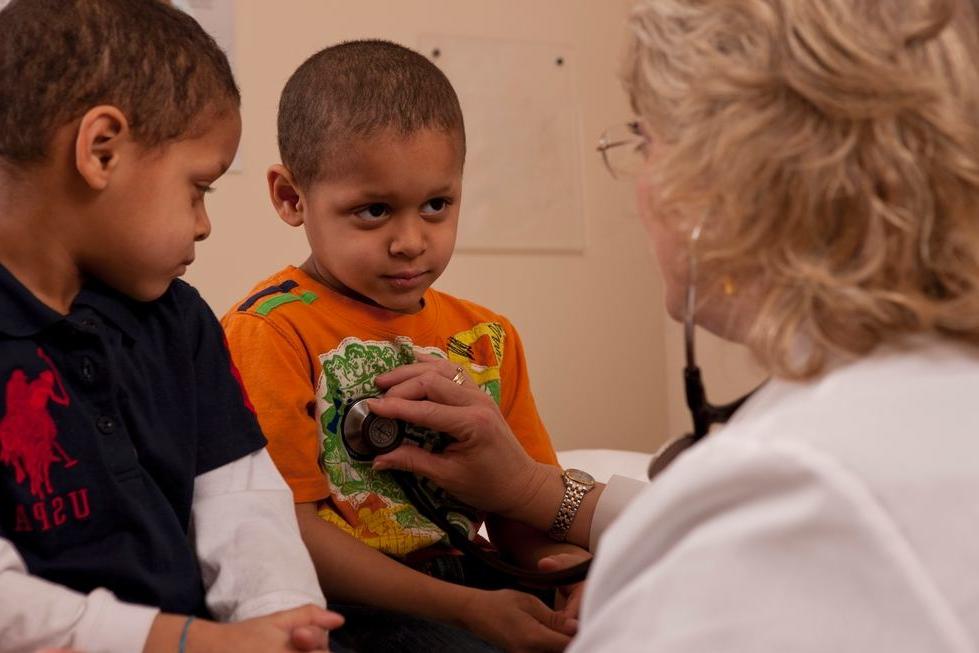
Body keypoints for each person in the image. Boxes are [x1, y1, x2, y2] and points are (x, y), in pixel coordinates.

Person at [366, 0, 979, 650]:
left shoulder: (792, 491)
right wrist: (531, 489)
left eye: (645, 141)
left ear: (722, 180)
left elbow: (745, 530)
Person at [0, 1, 342, 651]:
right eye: (198, 188)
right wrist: (185, 640)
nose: (204, 224)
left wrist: (284, 617)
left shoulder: (177, 319)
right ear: (102, 152)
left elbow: (244, 505)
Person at [221, 40, 581, 652]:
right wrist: (471, 610)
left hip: (477, 582)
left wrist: (572, 574)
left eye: (437, 205)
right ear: (290, 197)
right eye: (374, 211)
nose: (412, 241)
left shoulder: (486, 339)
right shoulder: (270, 332)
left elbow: (525, 505)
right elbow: (288, 532)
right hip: (354, 605)